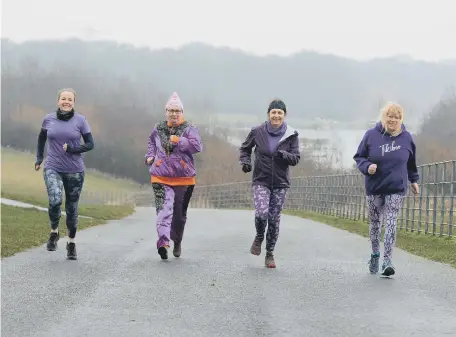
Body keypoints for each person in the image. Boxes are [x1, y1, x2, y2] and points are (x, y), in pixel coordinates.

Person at [354, 102, 419, 277]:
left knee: (391, 222)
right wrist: (367, 167)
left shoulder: (406, 138)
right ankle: (375, 254)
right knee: (375, 223)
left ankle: (388, 261)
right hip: (375, 187)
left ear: (401, 120)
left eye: (397, 117)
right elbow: (359, 157)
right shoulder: (371, 135)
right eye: (390, 116)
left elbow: (411, 163)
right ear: (384, 117)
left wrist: (414, 180)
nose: (393, 120)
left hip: (396, 187)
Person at [239, 99, 300, 268]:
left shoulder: (291, 134)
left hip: (280, 183)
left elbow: (296, 158)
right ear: (268, 114)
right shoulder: (257, 131)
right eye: (273, 112)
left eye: (280, 113)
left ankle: (270, 254)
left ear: (284, 115)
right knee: (261, 213)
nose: (276, 115)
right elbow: (245, 149)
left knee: (273, 219)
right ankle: (259, 235)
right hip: (261, 179)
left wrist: (284, 155)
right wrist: (245, 162)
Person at [35, 88, 95, 260]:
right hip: (53, 166)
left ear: (74, 102)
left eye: (70, 99)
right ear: (58, 101)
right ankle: (54, 231)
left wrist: (74, 149)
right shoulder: (48, 119)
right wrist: (39, 158)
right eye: (63, 98)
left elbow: (91, 144)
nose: (66, 101)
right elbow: (41, 138)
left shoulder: (81, 120)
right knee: (54, 199)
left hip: (75, 170)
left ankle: (71, 242)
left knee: (71, 208)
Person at [145, 92, 203, 260]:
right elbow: (151, 142)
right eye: (171, 110)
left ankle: (177, 240)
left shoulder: (189, 128)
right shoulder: (158, 128)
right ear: (166, 112)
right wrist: (150, 156)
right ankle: (163, 243)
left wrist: (179, 141)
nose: (174, 114)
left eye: (177, 111)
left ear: (182, 112)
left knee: (178, 215)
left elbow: (197, 146)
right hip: (160, 176)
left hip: (184, 179)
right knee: (164, 210)